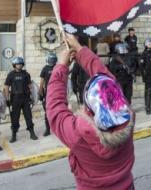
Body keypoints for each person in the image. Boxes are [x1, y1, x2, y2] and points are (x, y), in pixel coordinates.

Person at [47, 34, 135, 190]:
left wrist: (61, 66)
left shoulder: (79, 134)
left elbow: (55, 109)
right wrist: (80, 50)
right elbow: (108, 80)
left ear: (89, 107)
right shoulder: (128, 117)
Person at [4, 57, 38, 143]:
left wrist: (32, 97)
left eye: (20, 64)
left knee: (28, 116)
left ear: (22, 65)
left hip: (25, 98)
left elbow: (30, 86)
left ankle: (32, 132)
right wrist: (7, 99)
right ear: (14, 65)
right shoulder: (10, 75)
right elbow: (6, 87)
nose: (19, 65)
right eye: (17, 64)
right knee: (14, 118)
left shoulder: (26, 74)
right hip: (15, 99)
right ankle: (14, 135)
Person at [39, 52, 57, 136]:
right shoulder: (45, 68)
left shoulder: (57, 67)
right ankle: (47, 129)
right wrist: (40, 93)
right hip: (48, 93)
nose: (52, 61)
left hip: (57, 92)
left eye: (53, 59)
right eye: (50, 59)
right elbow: (42, 82)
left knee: (58, 110)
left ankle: (57, 129)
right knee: (47, 112)